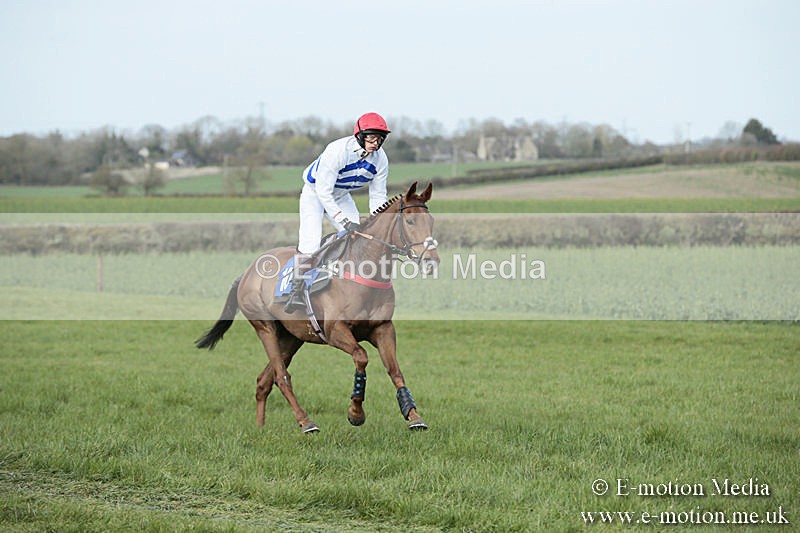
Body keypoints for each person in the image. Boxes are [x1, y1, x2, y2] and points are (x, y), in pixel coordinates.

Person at [283, 112, 391, 311]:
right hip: (316, 193)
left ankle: (347, 283)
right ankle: (295, 291)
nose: (375, 142)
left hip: (341, 195)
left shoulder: (380, 159)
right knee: (311, 242)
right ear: (360, 135)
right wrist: (343, 220)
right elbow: (324, 192)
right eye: (371, 137)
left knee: (358, 237)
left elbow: (378, 196)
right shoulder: (337, 151)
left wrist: (378, 223)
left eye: (380, 138)